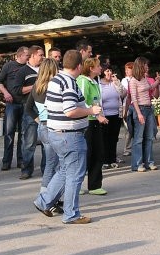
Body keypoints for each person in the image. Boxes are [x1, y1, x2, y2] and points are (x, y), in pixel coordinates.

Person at [33, 50, 101, 224]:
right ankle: (71, 214)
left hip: (55, 133)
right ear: (79, 66)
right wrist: (90, 111)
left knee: (64, 171)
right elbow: (70, 110)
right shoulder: (69, 83)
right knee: (75, 176)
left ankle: (44, 201)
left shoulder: (55, 80)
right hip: (70, 136)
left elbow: (50, 106)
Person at [24, 58, 60, 197]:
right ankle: (46, 195)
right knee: (54, 164)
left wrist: (40, 121)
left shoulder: (36, 86)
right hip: (54, 126)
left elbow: (28, 108)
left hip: (43, 126)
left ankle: (48, 193)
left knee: (51, 162)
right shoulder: (53, 86)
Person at [77, 57, 109, 195]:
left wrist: (101, 115)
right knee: (85, 154)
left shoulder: (94, 81)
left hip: (95, 121)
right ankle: (75, 185)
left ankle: (95, 185)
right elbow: (82, 101)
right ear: (91, 68)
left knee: (98, 153)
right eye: (98, 66)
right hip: (87, 121)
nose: (101, 68)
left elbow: (97, 101)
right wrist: (97, 115)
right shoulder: (83, 81)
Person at [0, 46, 29, 170]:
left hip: (25, 104)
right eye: (27, 55)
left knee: (23, 133)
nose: (29, 57)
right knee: (9, 133)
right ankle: (6, 161)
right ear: (20, 55)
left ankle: (21, 160)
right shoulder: (9, 66)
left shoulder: (29, 68)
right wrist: (5, 92)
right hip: (12, 104)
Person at [14, 45, 45, 180]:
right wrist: (36, 86)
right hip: (30, 109)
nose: (43, 57)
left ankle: (46, 169)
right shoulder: (22, 71)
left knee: (46, 141)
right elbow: (17, 90)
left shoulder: (45, 70)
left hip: (45, 109)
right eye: (40, 55)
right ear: (32, 56)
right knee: (29, 141)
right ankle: (26, 169)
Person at [129, 57, 160, 172]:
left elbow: (150, 88)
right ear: (140, 66)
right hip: (141, 109)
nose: (147, 67)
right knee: (138, 138)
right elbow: (133, 98)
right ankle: (137, 164)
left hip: (148, 108)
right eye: (145, 65)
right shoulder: (133, 80)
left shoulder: (144, 79)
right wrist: (138, 114)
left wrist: (157, 82)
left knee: (149, 137)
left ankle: (149, 162)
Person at [100, 66, 125, 169]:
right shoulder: (99, 84)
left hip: (116, 114)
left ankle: (113, 159)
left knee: (114, 138)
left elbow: (123, 94)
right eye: (107, 71)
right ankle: (105, 160)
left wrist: (117, 83)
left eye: (110, 71)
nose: (109, 73)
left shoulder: (115, 83)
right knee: (104, 138)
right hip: (104, 115)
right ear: (102, 72)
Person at [121, 62, 134, 157]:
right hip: (127, 105)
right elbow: (123, 94)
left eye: (128, 69)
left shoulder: (137, 79)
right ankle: (127, 148)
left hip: (136, 104)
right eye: (126, 69)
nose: (126, 71)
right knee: (128, 128)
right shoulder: (124, 80)